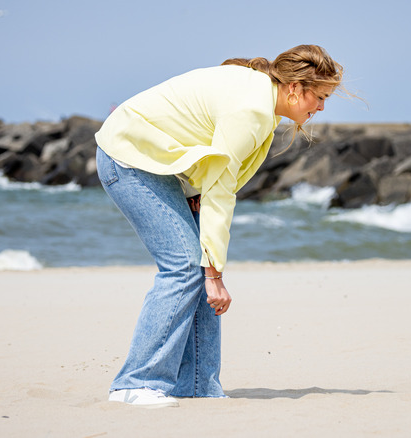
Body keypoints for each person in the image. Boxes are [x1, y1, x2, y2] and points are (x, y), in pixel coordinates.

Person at [94, 44, 345, 408]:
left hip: (162, 167)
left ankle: (197, 385)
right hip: (128, 158)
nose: (320, 107)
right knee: (185, 267)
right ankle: (134, 383)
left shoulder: (262, 100)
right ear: (294, 88)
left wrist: (193, 189)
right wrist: (214, 274)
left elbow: (208, 155)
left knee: (196, 267)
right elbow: (222, 189)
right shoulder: (252, 108)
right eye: (319, 97)